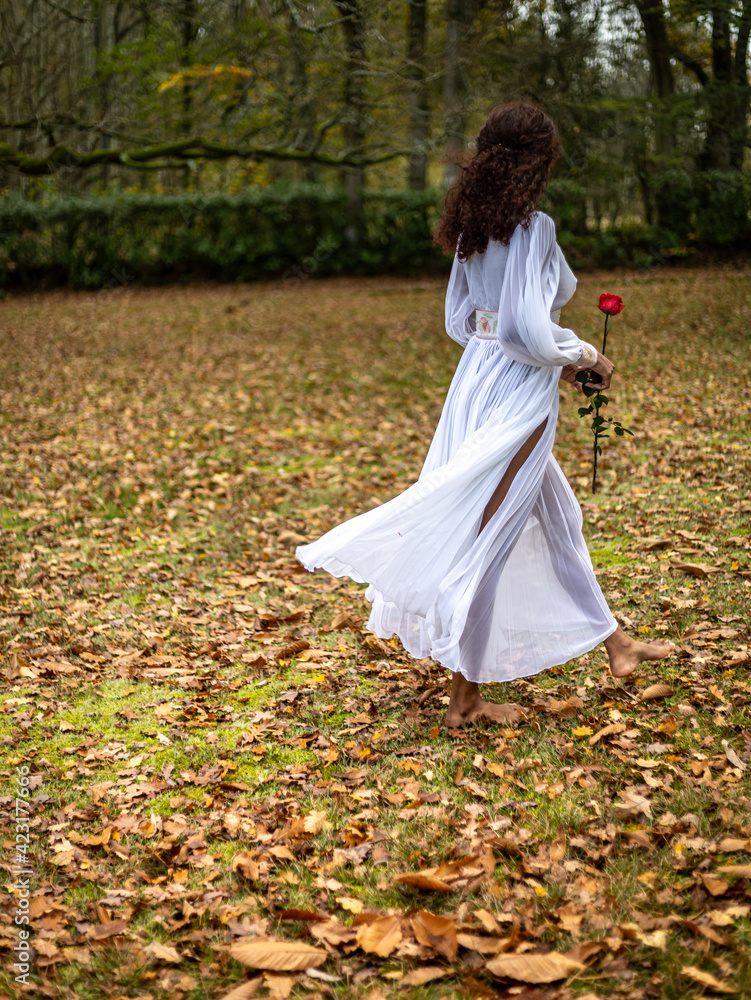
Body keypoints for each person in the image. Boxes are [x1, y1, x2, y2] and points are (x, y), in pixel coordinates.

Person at [297, 102, 673, 728]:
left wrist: (532, 351)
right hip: (518, 392)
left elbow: (463, 322)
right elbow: (526, 329)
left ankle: (618, 645)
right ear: (538, 160)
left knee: (558, 519)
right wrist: (582, 353)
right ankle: (465, 700)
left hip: (477, 379)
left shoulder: (474, 226)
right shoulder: (533, 227)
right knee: (492, 535)